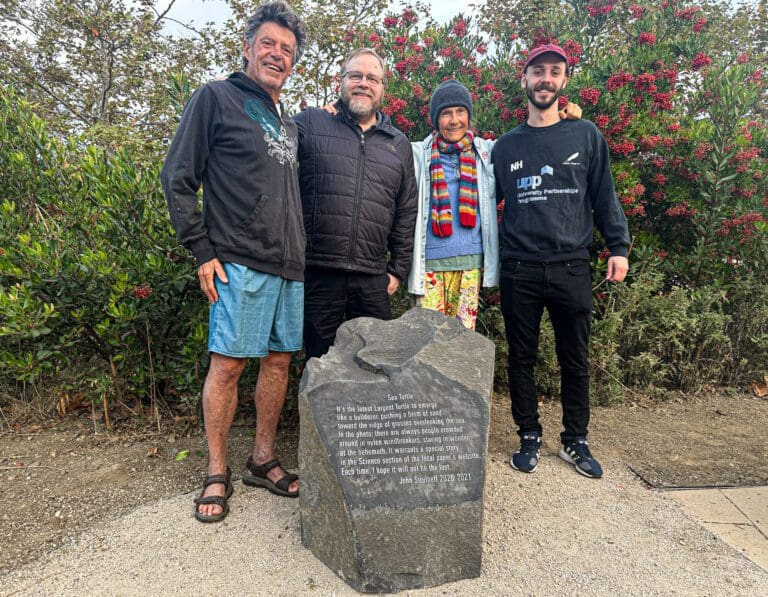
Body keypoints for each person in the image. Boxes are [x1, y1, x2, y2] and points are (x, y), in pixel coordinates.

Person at [160, 1, 305, 523]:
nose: (277, 54)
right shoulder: (215, 98)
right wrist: (202, 250)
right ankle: (216, 470)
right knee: (228, 365)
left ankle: (261, 459)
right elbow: (177, 176)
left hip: (290, 266)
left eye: (287, 49)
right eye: (268, 43)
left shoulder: (289, 121)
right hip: (238, 262)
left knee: (279, 361)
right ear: (247, 47)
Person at [491, 44, 630, 479]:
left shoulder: (585, 134)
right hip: (520, 268)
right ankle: (528, 435)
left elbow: (603, 194)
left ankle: (575, 440)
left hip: (572, 265)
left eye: (554, 72)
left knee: (576, 359)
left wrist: (619, 247)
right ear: (524, 81)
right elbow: (475, 199)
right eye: (537, 72)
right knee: (522, 358)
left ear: (564, 81)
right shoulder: (503, 147)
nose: (545, 79)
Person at [408, 81, 583, 330]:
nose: (454, 120)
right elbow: (384, 146)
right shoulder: (418, 153)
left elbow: (529, 140)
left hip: (470, 265)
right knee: (424, 342)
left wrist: (561, 118)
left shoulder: (488, 151)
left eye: (460, 112)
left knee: (460, 344)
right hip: (430, 265)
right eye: (446, 113)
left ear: (469, 115)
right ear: (436, 120)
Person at [294, 48, 418, 360]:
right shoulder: (312, 122)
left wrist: (398, 270)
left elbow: (406, 209)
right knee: (319, 366)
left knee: (379, 365)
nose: (363, 83)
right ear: (342, 81)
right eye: (356, 76)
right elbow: (266, 140)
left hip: (373, 277)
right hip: (319, 273)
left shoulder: (398, 144)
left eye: (372, 78)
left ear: (383, 88)